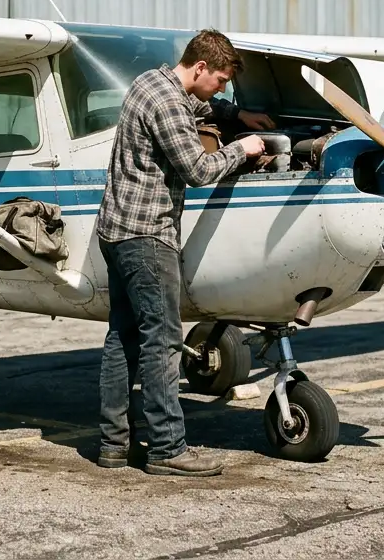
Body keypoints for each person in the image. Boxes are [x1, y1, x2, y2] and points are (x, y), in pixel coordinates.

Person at [94, 28, 274, 477]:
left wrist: (237, 113)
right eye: (221, 81)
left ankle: (113, 445)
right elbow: (197, 169)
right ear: (200, 68)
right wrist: (242, 147)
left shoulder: (150, 82)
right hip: (147, 235)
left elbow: (201, 105)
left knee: (124, 339)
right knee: (163, 341)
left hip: (116, 230)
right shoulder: (170, 104)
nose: (223, 89)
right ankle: (167, 449)